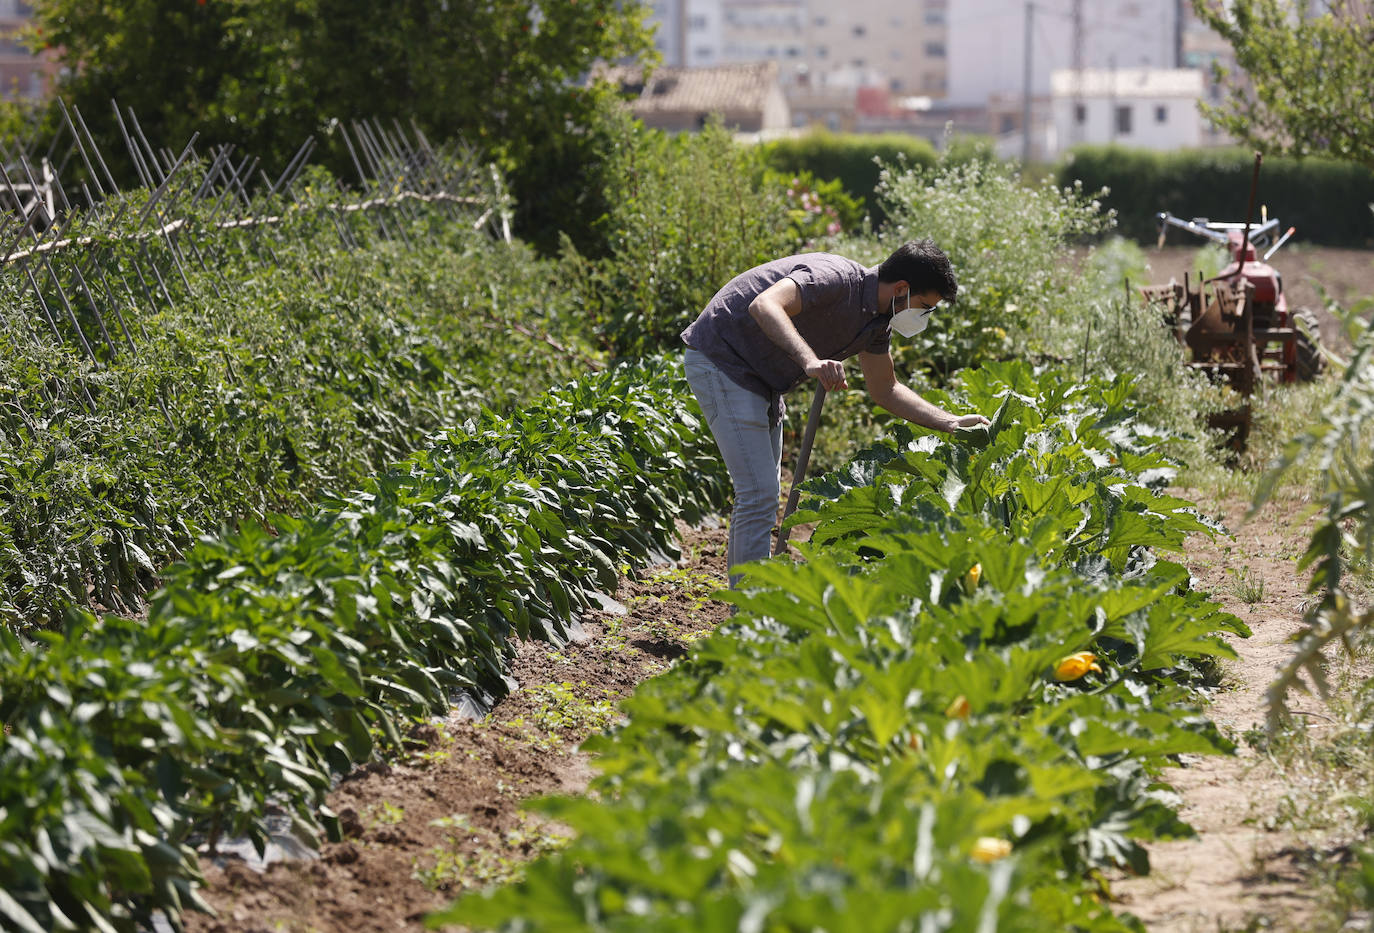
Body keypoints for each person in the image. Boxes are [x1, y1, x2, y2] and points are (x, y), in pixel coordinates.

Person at [681, 238, 990, 584]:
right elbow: (765, 305)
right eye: (924, 306)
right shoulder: (834, 277)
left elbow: (885, 388)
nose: (923, 317)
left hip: (762, 381)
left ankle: (757, 601)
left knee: (763, 495)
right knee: (758, 494)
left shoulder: (876, 324)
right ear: (901, 288)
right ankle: (747, 616)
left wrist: (950, 423)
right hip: (722, 360)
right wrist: (810, 360)